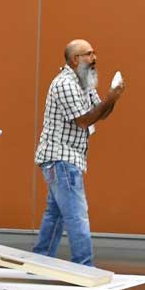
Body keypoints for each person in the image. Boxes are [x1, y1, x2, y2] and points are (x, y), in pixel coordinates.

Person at [32, 39, 124, 266]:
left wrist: (113, 98)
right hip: (61, 158)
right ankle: (84, 266)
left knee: (55, 215)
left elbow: (99, 113)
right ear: (75, 59)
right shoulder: (65, 84)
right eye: (89, 54)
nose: (95, 58)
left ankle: (40, 262)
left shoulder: (84, 82)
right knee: (77, 214)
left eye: (94, 53)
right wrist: (111, 97)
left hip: (67, 158)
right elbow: (84, 121)